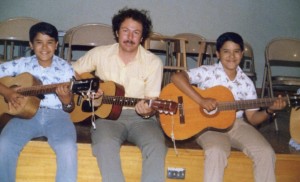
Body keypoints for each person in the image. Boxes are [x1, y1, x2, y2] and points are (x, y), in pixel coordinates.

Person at [171, 32, 287, 182]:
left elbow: (253, 119)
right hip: (208, 126)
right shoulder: (208, 72)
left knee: (266, 152)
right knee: (216, 151)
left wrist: (270, 110)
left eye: (236, 51)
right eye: (226, 51)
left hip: (236, 125)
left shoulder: (246, 83)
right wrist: (201, 100)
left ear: (242, 53)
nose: (231, 56)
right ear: (218, 53)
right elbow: (177, 77)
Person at [72, 8, 167, 182]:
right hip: (107, 117)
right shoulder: (100, 53)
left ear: (142, 37)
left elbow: (152, 101)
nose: (130, 37)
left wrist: (148, 110)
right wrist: (87, 88)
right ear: (117, 32)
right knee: (104, 145)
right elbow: (72, 71)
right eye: (126, 30)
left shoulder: (153, 62)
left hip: (142, 120)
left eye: (136, 32)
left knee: (157, 146)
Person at [0, 22, 77, 182]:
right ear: (31, 44)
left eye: (49, 43)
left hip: (58, 116)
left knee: (68, 148)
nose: (44, 48)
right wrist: (7, 91)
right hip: (24, 116)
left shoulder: (66, 69)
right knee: (4, 144)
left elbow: (70, 108)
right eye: (39, 42)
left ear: (56, 45)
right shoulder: (22, 64)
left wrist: (66, 100)